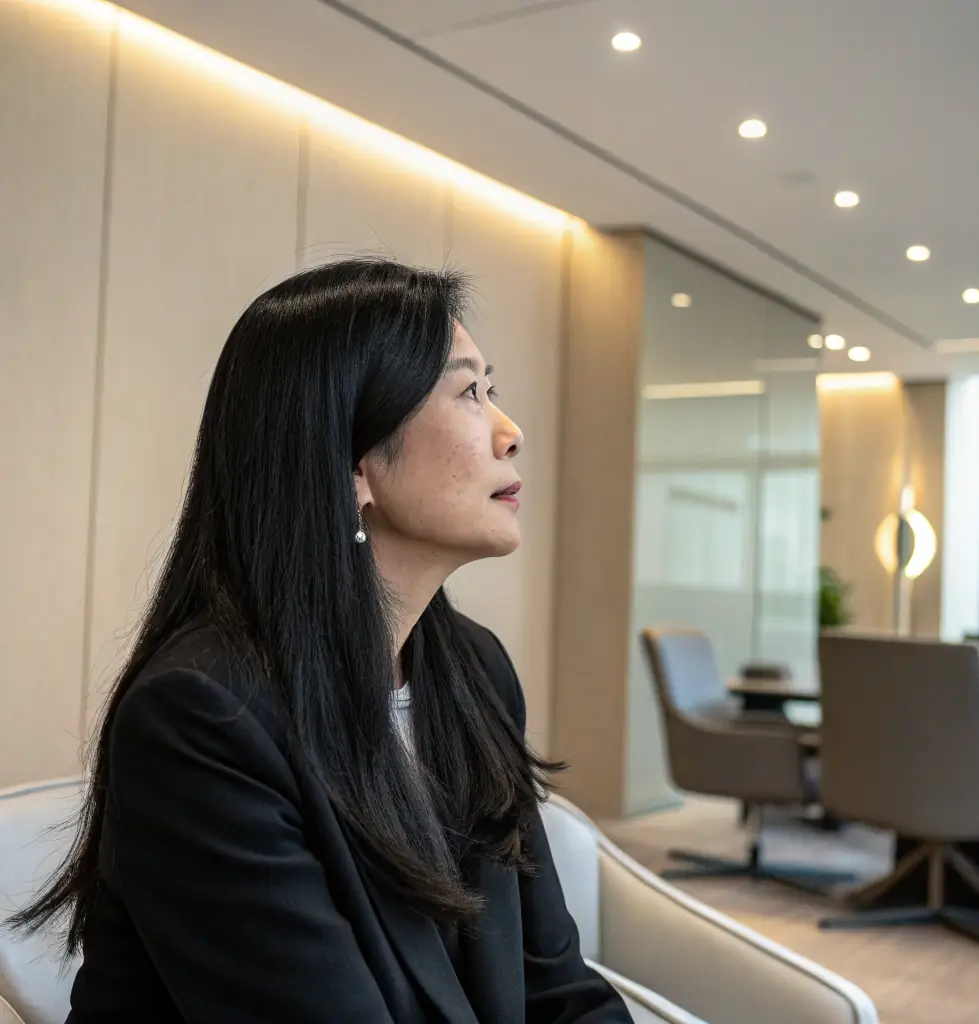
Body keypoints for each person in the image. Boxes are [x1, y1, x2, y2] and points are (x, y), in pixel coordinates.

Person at [11, 259, 631, 1023]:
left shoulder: (472, 670)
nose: (512, 432)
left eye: (491, 390)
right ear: (353, 460)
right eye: (470, 392)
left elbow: (556, 985)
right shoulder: (201, 720)